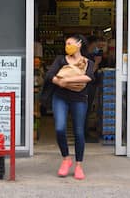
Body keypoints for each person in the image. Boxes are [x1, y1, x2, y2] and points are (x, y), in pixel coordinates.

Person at [44, 34, 95, 180]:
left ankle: (79, 165)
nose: (67, 46)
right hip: (60, 97)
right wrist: (58, 82)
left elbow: (89, 77)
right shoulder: (60, 59)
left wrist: (66, 80)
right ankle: (66, 159)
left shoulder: (87, 62)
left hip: (79, 99)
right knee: (60, 128)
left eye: (70, 43)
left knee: (79, 132)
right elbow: (49, 75)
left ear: (79, 44)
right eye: (66, 44)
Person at [84, 36, 103, 142]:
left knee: (87, 109)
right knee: (85, 110)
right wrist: (96, 62)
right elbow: (89, 73)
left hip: (90, 85)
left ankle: (85, 132)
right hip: (87, 86)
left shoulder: (91, 55)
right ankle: (84, 134)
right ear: (91, 44)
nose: (97, 46)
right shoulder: (86, 57)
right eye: (96, 44)